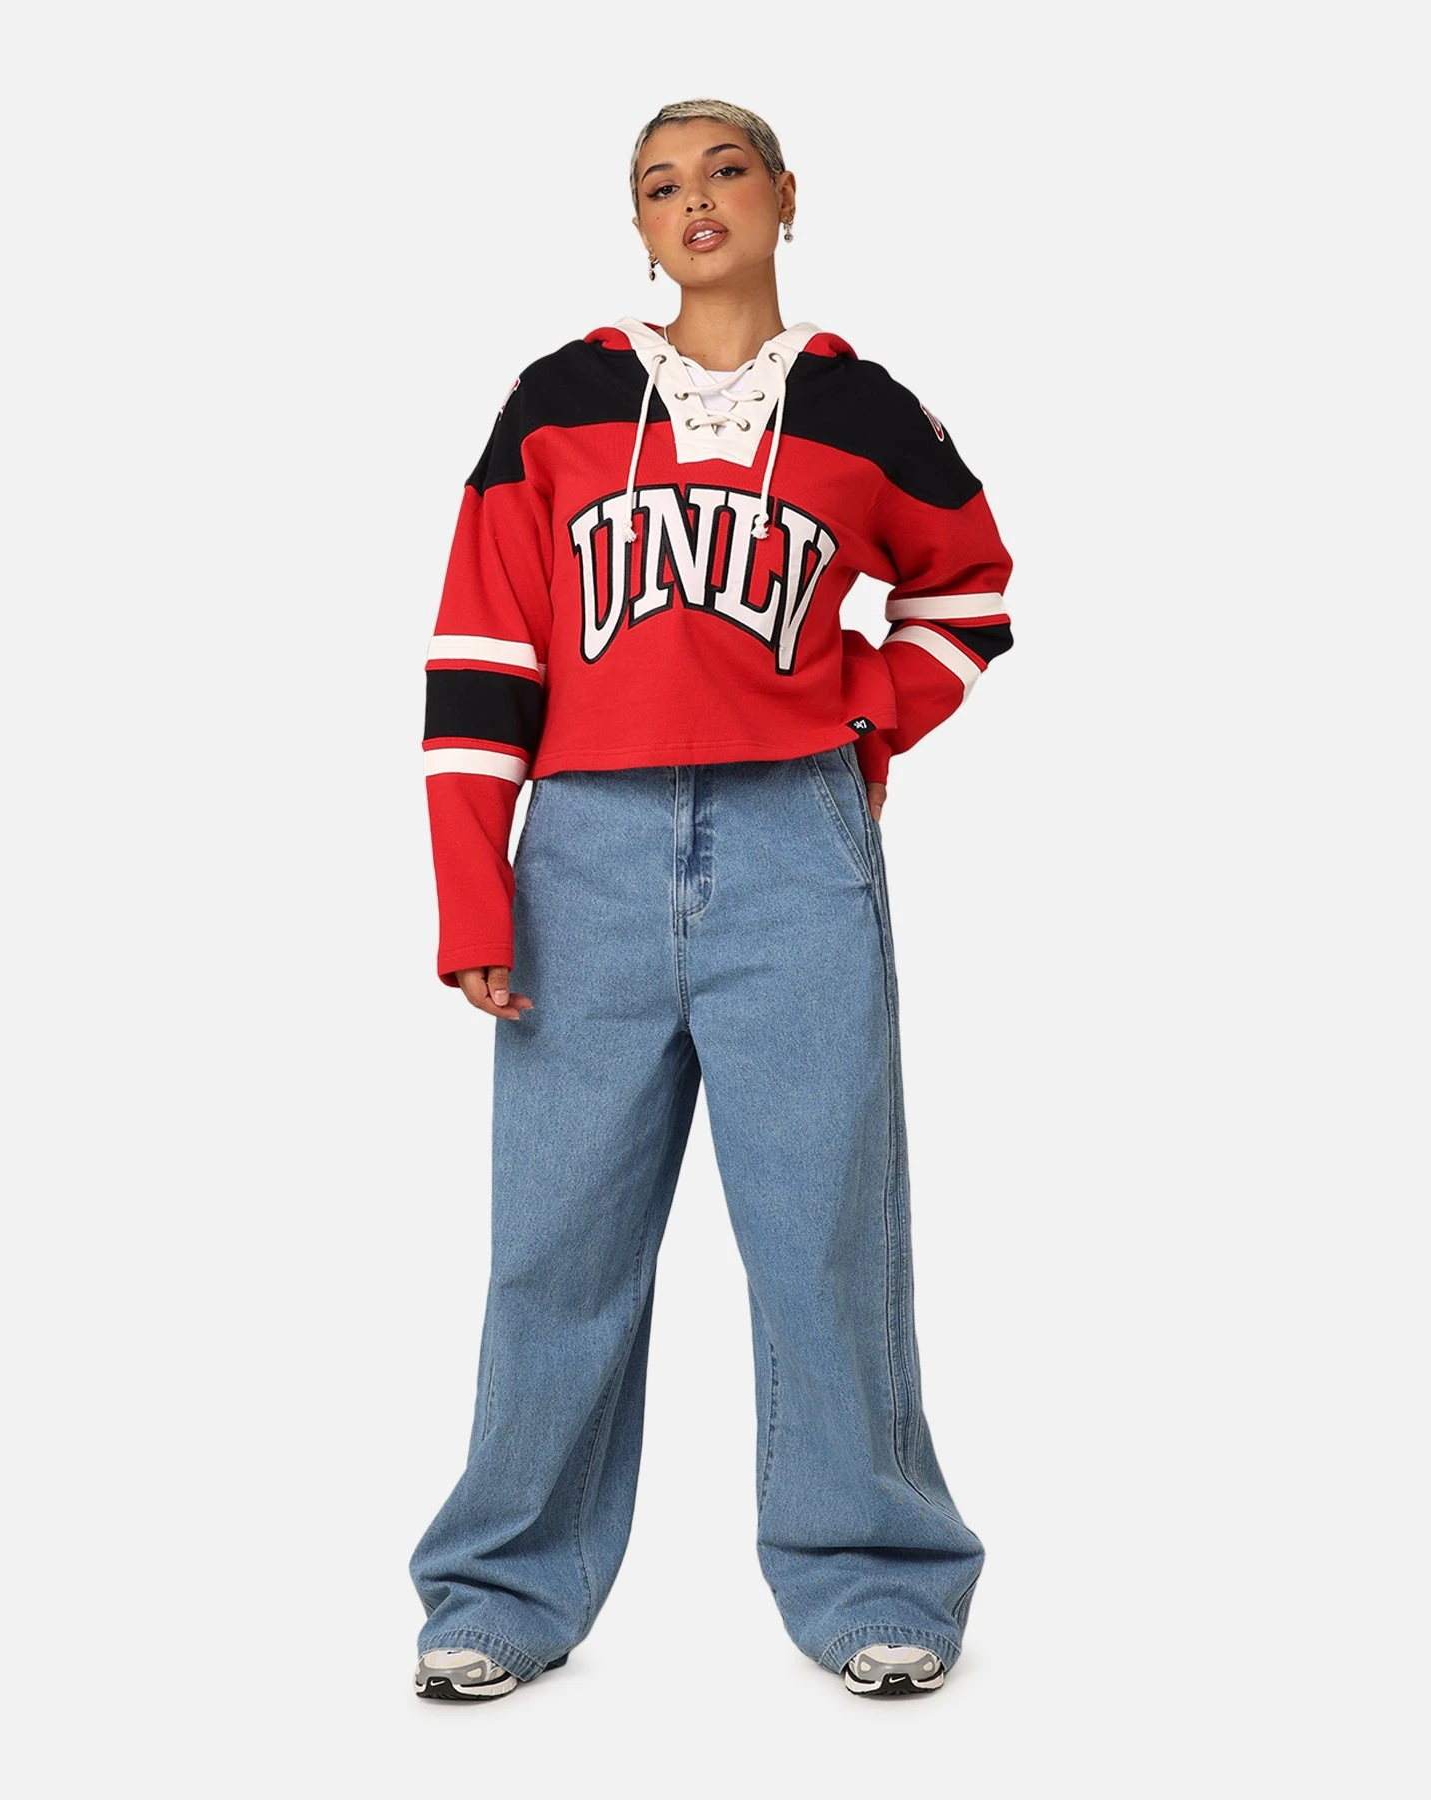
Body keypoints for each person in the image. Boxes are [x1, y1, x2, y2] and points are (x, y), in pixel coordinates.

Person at [408, 96, 1014, 1702]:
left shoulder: (863, 409)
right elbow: (481, 651)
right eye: (660, 181)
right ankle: (500, 1585)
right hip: (584, 859)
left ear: (785, 195)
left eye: (726, 170)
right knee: (555, 1247)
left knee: (828, 1238)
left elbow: (971, 591)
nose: (696, 199)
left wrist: (866, 714)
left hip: (795, 852)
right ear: (637, 223)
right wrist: (474, 896)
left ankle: (877, 1578)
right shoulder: (559, 401)